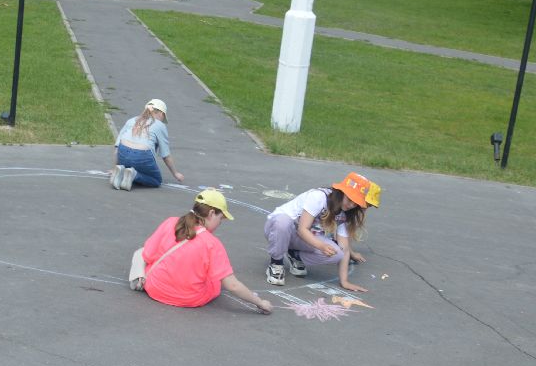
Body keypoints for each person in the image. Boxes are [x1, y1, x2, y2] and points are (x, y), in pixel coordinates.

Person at [140, 189, 272, 314]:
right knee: (215, 280)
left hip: (155, 287)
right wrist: (260, 302)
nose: (220, 223)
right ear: (211, 214)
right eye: (220, 218)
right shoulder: (211, 243)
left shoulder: (171, 222)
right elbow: (232, 285)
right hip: (187, 297)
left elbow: (147, 255)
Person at [263, 172, 374, 291]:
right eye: (350, 199)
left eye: (356, 203)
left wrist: (344, 281)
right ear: (342, 192)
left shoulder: (345, 213)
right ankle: (276, 262)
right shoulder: (319, 197)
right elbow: (302, 229)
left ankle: (295, 255)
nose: (352, 205)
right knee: (283, 221)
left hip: (300, 238)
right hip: (279, 230)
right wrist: (321, 245)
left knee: (337, 253)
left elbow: (344, 248)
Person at [111, 99, 184, 190]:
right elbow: (165, 155)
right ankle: (134, 175)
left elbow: (117, 147)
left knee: (129, 165)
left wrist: (114, 167)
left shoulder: (132, 120)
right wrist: (175, 173)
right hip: (142, 155)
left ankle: (120, 171)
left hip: (123, 151)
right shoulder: (160, 125)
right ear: (161, 114)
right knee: (156, 180)